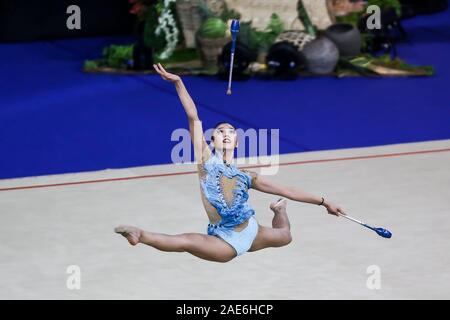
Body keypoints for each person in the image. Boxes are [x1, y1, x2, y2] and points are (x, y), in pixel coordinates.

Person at [115, 63, 345, 263]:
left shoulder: (246, 176)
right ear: (212, 140)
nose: (226, 133)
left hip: (252, 230)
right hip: (225, 239)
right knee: (187, 241)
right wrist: (178, 83)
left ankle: (279, 209)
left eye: (231, 132)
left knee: (285, 235)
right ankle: (139, 234)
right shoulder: (206, 161)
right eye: (220, 131)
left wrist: (324, 202)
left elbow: (287, 189)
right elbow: (193, 117)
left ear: (236, 143)